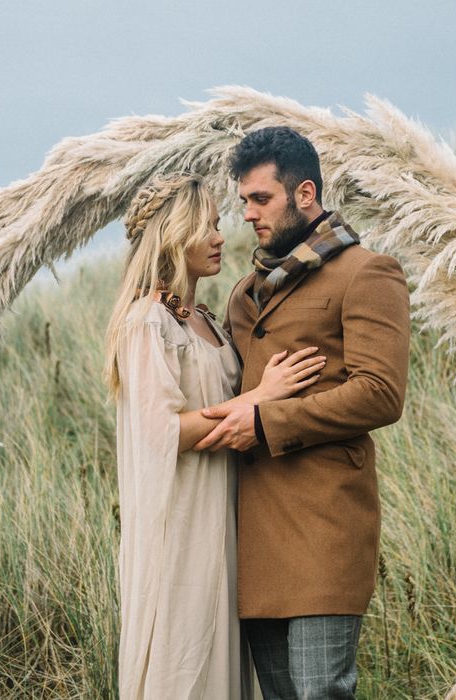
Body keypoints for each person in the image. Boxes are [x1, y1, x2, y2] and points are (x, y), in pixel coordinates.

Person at [195, 127, 411, 699]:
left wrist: (268, 423)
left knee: (322, 693)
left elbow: (380, 393)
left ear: (306, 194)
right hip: (254, 534)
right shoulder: (245, 293)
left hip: (323, 527)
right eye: (242, 201)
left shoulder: (368, 273)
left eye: (260, 199)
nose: (247, 213)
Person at [104, 172, 326, 699]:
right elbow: (163, 432)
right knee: (185, 660)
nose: (220, 236)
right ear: (173, 236)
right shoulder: (145, 324)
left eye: (218, 225)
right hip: (181, 525)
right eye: (206, 226)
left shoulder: (206, 319)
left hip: (225, 518)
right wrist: (260, 397)